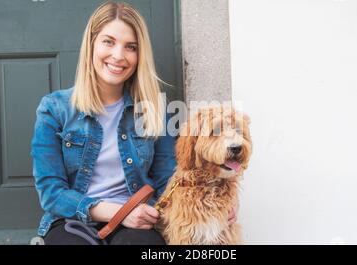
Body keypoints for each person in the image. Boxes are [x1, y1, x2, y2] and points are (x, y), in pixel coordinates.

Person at [31, 1, 237, 245]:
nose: (118, 55)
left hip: (140, 219)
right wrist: (119, 213)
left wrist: (219, 199)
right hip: (72, 219)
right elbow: (51, 193)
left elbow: (169, 179)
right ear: (91, 45)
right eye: (108, 42)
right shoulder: (54, 108)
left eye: (131, 47)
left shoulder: (156, 111)